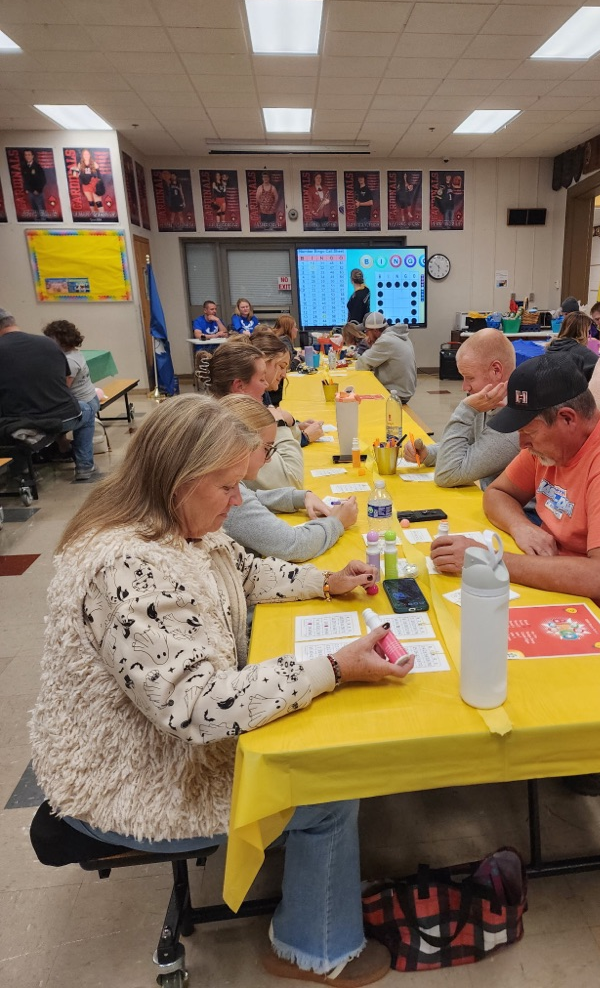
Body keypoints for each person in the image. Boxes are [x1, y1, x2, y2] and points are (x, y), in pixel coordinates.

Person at [30, 394, 412, 988]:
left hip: (160, 738)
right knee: (327, 786)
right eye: (229, 487)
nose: (239, 501)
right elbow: (196, 708)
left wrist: (324, 581)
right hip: (137, 775)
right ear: (180, 480)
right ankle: (313, 948)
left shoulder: (175, 524)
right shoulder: (127, 567)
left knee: (312, 740)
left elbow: (244, 570)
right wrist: (331, 668)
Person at [433, 354, 600, 656]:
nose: (522, 443)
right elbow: (498, 494)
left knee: (483, 658)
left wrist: (488, 561)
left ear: (567, 418)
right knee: (459, 632)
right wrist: (522, 527)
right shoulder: (554, 443)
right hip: (573, 588)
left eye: (529, 431)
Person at [220, 395, 359, 562]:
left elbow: (251, 497)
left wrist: (298, 497)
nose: (269, 458)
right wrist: (337, 522)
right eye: (267, 448)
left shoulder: (224, 480)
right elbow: (292, 545)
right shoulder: (226, 496)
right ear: (242, 445)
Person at [403, 328, 519, 489]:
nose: (465, 387)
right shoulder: (487, 401)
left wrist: (466, 409)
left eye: (470, 378)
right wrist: (428, 453)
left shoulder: (513, 425)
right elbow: (467, 444)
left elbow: (447, 474)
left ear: (496, 370)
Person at [0, 309, 99, 483]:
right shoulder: (48, 344)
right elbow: (62, 381)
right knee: (88, 409)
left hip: (21, 420)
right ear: (13, 322)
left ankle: (23, 469)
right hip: (63, 416)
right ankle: (84, 465)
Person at [195, 340, 303, 490]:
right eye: (261, 379)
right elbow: (292, 481)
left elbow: (293, 445)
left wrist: (288, 423)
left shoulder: (226, 413)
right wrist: (280, 424)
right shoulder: (233, 429)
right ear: (239, 386)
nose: (266, 385)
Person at [42, 320, 101, 478]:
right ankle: (71, 453)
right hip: (90, 397)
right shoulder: (75, 353)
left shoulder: (69, 361)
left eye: (50, 338)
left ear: (60, 339)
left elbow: (62, 389)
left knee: (76, 420)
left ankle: (79, 461)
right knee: (80, 425)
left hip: (83, 402)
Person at [251, 330, 324, 443]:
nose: (284, 375)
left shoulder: (263, 392)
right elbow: (269, 447)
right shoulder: (249, 398)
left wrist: (296, 425)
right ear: (263, 363)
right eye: (281, 366)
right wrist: (304, 438)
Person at [355, 312, 417, 404]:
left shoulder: (386, 340)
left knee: (357, 393)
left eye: (367, 331)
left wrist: (371, 346)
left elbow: (361, 365)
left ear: (375, 330)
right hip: (405, 390)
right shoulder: (399, 336)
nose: (366, 335)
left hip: (397, 394)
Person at [545, 312, 599, 380]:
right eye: (588, 331)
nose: (588, 335)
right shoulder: (583, 353)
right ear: (582, 332)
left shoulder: (552, 347)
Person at [74, 149, 104, 216]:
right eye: (85, 154)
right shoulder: (80, 164)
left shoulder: (94, 163)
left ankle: (103, 216)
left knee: (98, 202)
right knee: (90, 201)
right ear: (82, 155)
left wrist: (99, 185)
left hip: (94, 184)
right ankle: (94, 215)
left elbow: (99, 175)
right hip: (85, 185)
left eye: (87, 154)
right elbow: (76, 175)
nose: (86, 156)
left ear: (90, 155)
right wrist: (75, 172)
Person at [20, 149, 47, 219]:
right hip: (30, 192)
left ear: (32, 156)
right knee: (34, 209)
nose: (27, 157)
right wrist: (26, 188)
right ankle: (37, 223)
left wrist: (38, 190)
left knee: (40, 208)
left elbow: (43, 180)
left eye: (29, 155)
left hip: (38, 192)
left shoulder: (37, 167)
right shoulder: (24, 167)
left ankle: (44, 222)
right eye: (26, 155)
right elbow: (25, 180)